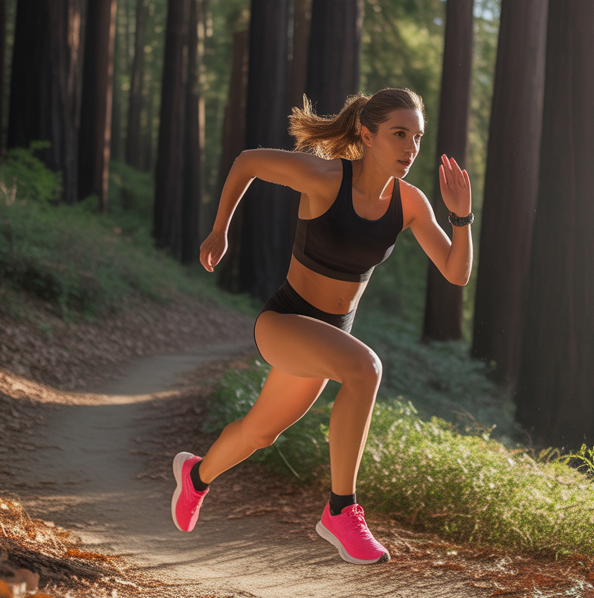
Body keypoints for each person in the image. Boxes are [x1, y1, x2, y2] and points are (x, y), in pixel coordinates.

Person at [171, 87, 473, 565]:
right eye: (399, 134)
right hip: (286, 321)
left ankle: (195, 477)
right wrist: (219, 228)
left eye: (416, 138)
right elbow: (248, 161)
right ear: (366, 134)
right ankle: (341, 509)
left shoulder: (411, 203)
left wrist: (461, 216)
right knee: (365, 368)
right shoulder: (325, 178)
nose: (410, 148)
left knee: (259, 433)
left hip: (329, 337)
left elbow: (456, 273)